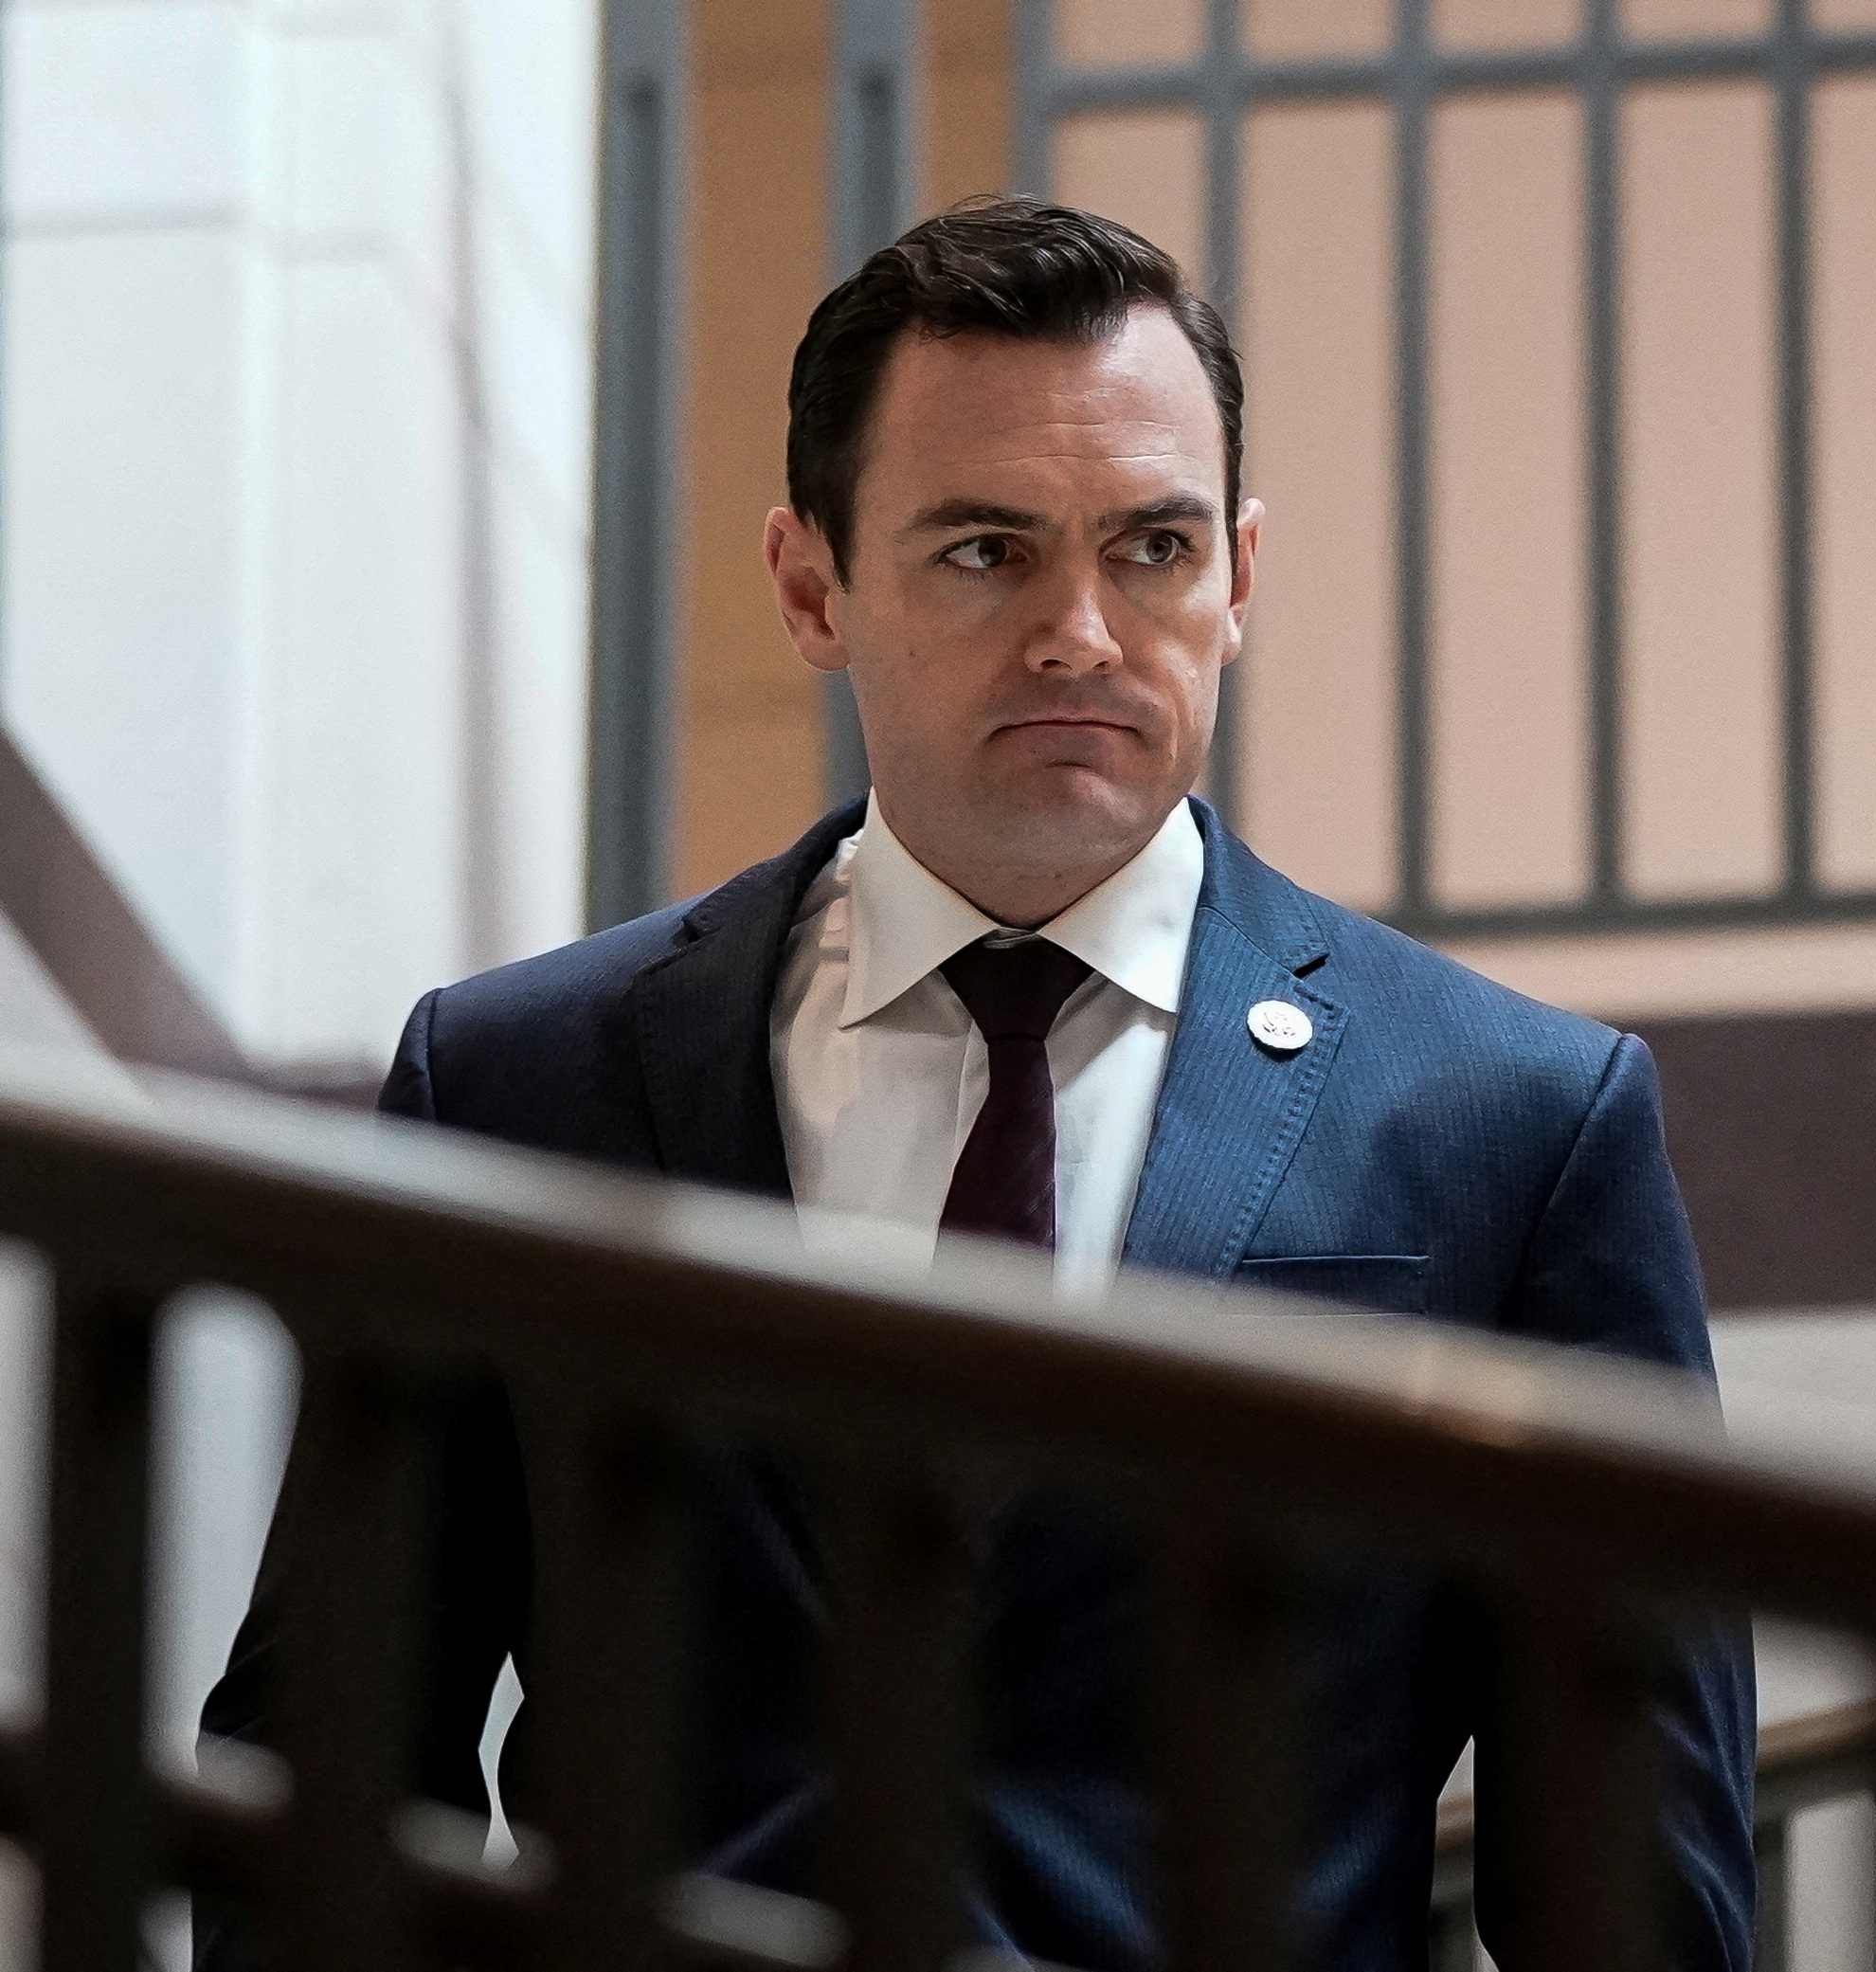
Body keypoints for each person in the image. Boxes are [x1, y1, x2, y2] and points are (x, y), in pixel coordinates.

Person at [198, 196, 1756, 1971]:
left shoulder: (1509, 1120)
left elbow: (1636, 1883)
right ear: (811, 584)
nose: (1081, 630)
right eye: (984, 550)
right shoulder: (518, 1082)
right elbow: (324, 1763)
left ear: (1240, 579)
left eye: (1153, 546)